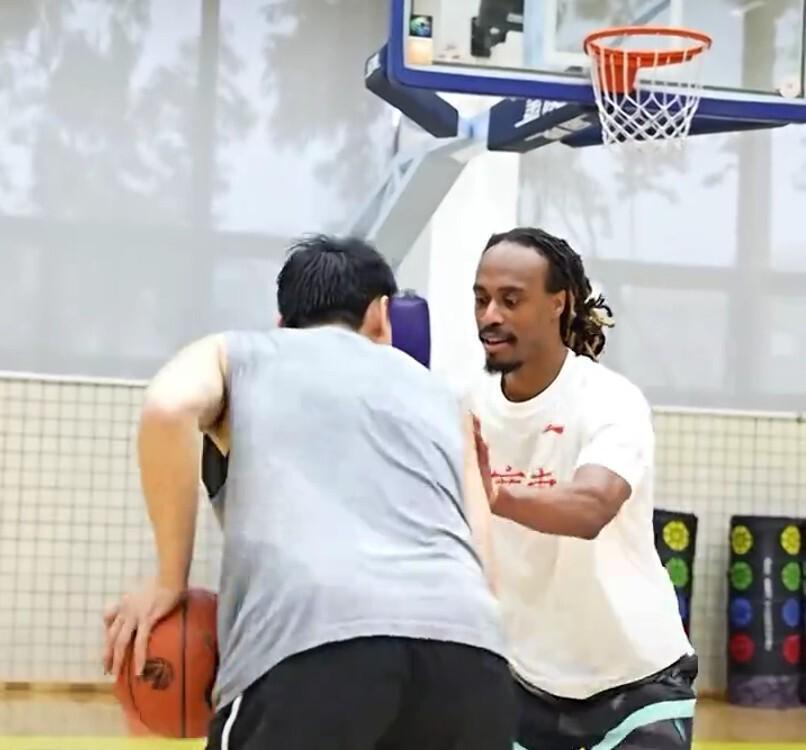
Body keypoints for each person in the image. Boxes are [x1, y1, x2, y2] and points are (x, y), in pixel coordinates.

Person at [103, 235, 514, 750]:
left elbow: (168, 407)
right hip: (471, 655)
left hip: (313, 646)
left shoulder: (241, 352)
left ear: (282, 322)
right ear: (380, 316)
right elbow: (485, 570)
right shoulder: (447, 399)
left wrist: (169, 579)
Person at [468, 227, 697, 750]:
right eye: (481, 299)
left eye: (511, 300)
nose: (490, 316)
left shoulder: (610, 399)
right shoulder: (466, 406)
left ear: (559, 303)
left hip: (636, 681)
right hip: (521, 680)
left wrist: (497, 496)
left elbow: (592, 506)